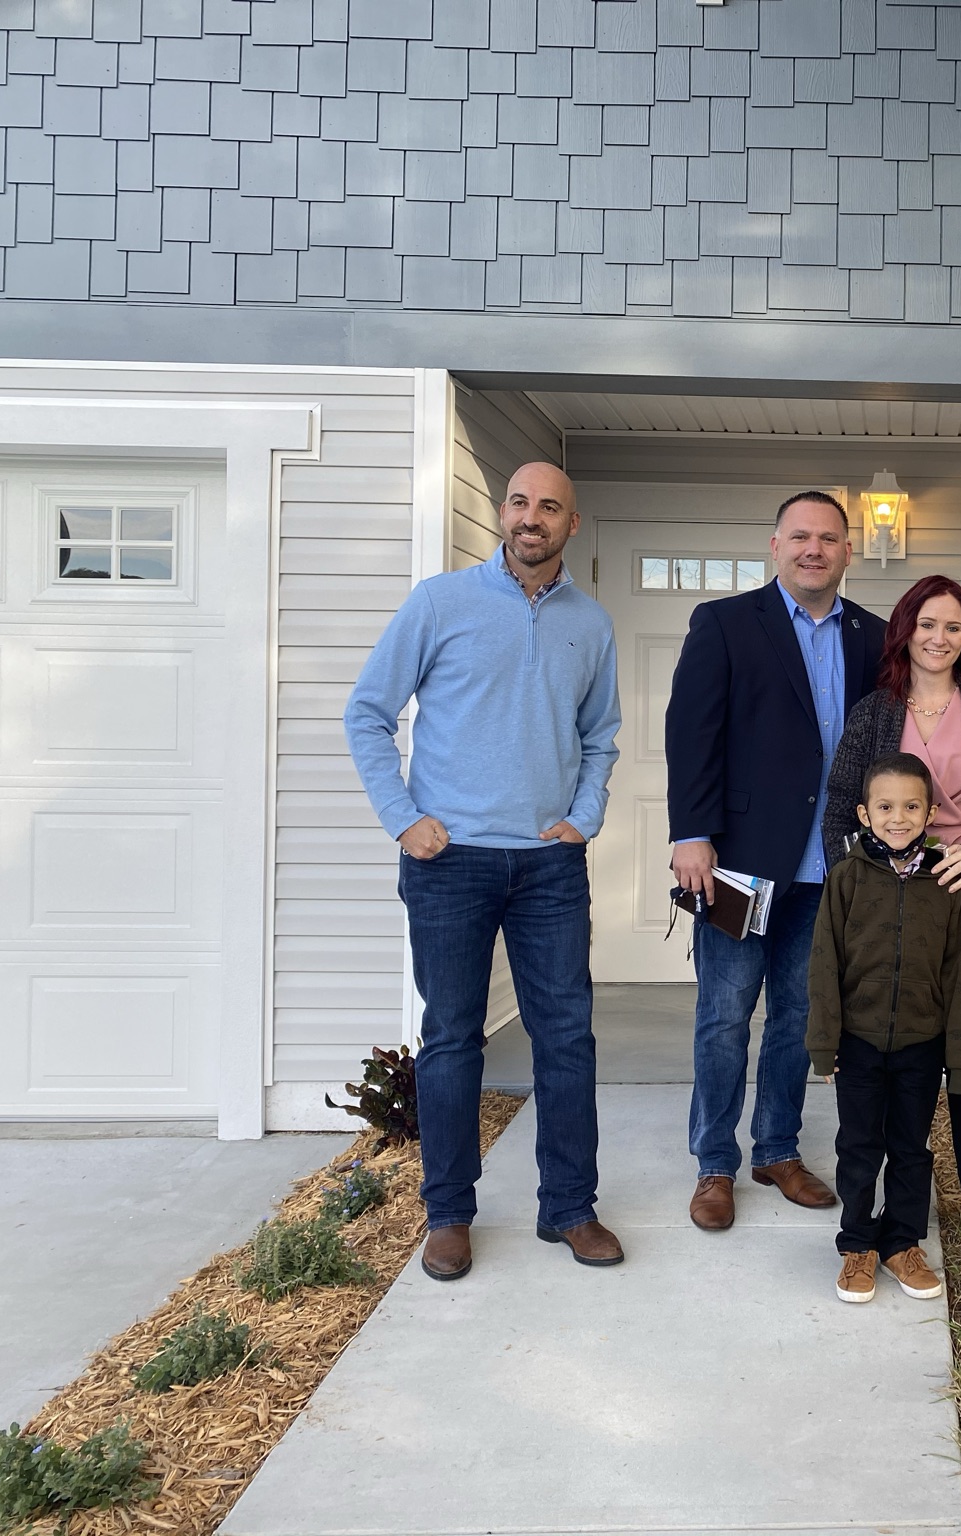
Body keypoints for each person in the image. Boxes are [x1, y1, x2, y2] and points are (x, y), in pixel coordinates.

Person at [345, 462, 623, 1282]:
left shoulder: (592, 625)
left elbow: (602, 735)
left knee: (566, 1038)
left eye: (549, 507)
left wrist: (586, 817)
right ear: (502, 513)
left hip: (549, 865)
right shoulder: (440, 603)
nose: (529, 517)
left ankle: (570, 1207)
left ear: (573, 523)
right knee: (452, 1039)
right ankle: (450, 1215)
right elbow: (367, 712)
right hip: (449, 861)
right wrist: (405, 819)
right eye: (518, 502)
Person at [665, 491, 888, 1231]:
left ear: (848, 552)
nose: (813, 549)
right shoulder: (727, 624)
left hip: (829, 867)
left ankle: (777, 1149)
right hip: (739, 861)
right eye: (800, 537)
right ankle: (714, 1164)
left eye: (828, 538)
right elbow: (691, 733)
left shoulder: (873, 637)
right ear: (775, 545)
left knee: (800, 1014)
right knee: (724, 1014)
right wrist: (691, 832)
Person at [822, 575, 961, 1261]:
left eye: (952, 626)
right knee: (890, 1059)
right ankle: (879, 1210)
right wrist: (858, 890)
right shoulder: (874, 713)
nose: (939, 638)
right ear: (905, 632)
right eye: (926, 624)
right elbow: (838, 810)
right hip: (890, 924)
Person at [807, 753, 961, 1304]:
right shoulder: (847, 878)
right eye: (885, 806)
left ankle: (902, 1241)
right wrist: (824, 1043)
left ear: (930, 813)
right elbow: (824, 965)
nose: (898, 817)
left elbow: (960, 973)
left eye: (911, 806)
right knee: (859, 1146)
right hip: (857, 1044)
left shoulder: (943, 882)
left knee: (911, 1147)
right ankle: (857, 1244)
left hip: (921, 1046)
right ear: (864, 813)